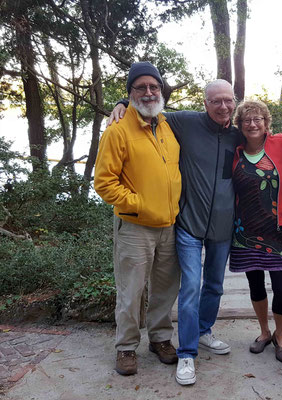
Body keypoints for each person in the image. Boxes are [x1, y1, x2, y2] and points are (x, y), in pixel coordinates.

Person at [108, 79, 241, 385]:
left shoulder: (239, 136)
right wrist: (122, 102)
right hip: (188, 224)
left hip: (222, 227)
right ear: (204, 103)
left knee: (215, 286)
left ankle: (204, 330)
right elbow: (148, 105)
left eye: (228, 101)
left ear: (235, 102)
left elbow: (271, 147)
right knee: (190, 287)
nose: (223, 106)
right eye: (216, 101)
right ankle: (187, 353)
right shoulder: (184, 121)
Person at [94, 62, 181, 376]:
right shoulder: (118, 130)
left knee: (165, 289)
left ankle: (159, 339)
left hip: (170, 225)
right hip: (134, 226)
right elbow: (104, 182)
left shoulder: (169, 125)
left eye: (153, 86)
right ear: (129, 93)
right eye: (140, 87)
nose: (148, 92)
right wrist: (139, 204)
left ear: (161, 91)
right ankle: (126, 348)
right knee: (131, 290)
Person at [230, 100, 282, 362]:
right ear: (240, 126)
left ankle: (280, 335)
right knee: (255, 287)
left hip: (279, 232)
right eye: (247, 120)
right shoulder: (234, 151)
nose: (252, 124)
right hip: (244, 234)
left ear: (267, 123)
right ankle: (264, 332)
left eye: (258, 119)